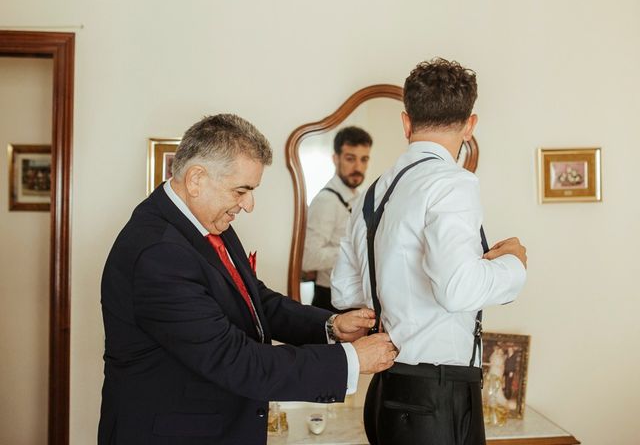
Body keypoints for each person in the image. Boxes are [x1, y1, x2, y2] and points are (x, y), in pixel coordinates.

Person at [98, 114, 397, 445]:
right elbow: (235, 359)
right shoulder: (158, 253)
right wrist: (351, 361)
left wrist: (330, 326)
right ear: (196, 179)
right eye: (241, 190)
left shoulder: (206, 224)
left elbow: (254, 298)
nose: (249, 205)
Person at [331, 58, 528, 445]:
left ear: (406, 123)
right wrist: (513, 264)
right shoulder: (453, 183)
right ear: (470, 126)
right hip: (436, 399)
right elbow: (457, 290)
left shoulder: (374, 191)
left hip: (387, 393)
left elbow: (344, 293)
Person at [302, 126, 372, 312]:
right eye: (350, 159)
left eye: (363, 159)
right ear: (336, 158)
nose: (358, 167)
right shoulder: (326, 201)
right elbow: (309, 258)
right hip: (329, 300)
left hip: (352, 299)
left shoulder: (358, 197)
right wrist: (359, 252)